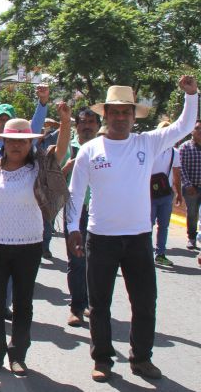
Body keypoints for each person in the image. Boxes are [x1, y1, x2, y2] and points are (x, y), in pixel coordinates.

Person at [67, 77, 198, 382]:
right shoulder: (90, 150)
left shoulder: (146, 142)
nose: (122, 117)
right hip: (100, 239)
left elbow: (183, 126)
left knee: (144, 303)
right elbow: (75, 194)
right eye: (116, 112)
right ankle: (102, 359)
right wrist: (73, 228)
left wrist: (191, 95)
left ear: (133, 115)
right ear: (106, 114)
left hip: (138, 239)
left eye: (127, 112)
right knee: (99, 305)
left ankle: (141, 358)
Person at [0, 103, 71, 377]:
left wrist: (65, 121)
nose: (16, 146)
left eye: (23, 141)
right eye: (12, 140)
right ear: (3, 141)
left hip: (30, 247)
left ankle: (18, 355)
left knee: (23, 304)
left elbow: (60, 150)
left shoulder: (40, 168)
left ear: (30, 144)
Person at [0, 85, 50, 322]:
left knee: (14, 272)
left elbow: (35, 127)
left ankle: (4, 305)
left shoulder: (26, 148)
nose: (4, 123)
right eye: (0, 119)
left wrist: (43, 104)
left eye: (8, 118)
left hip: (19, 222)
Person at [61, 107, 100, 327]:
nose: (86, 126)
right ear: (77, 126)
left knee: (95, 261)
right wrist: (67, 168)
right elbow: (53, 175)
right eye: (83, 122)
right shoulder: (68, 147)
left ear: (97, 126)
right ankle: (76, 307)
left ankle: (92, 304)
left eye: (91, 122)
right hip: (74, 209)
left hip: (99, 210)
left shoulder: (104, 147)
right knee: (76, 260)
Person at [149, 121, 181, 267]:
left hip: (166, 194)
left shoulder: (175, 152)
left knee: (164, 225)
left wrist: (178, 193)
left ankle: (160, 254)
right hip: (148, 194)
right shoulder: (151, 149)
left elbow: (176, 175)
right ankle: (145, 252)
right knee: (147, 225)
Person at [178, 120, 201, 251]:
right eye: (197, 128)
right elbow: (181, 168)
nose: (199, 131)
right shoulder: (185, 147)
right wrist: (188, 185)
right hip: (191, 189)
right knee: (192, 214)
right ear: (192, 131)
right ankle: (191, 238)